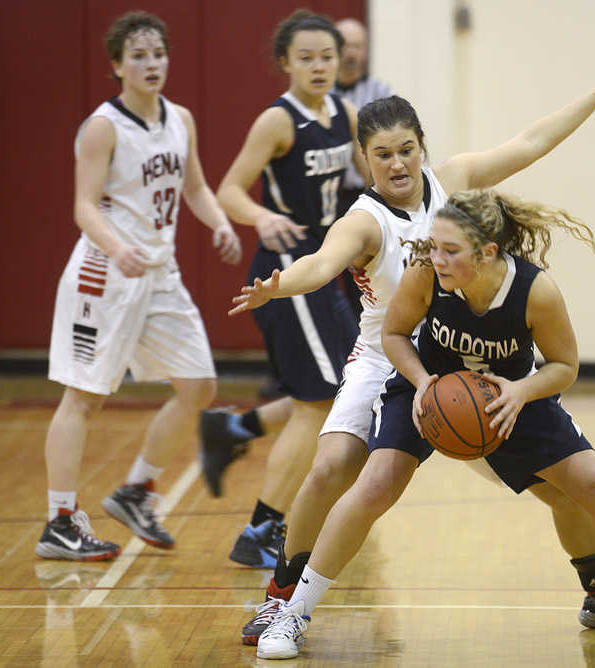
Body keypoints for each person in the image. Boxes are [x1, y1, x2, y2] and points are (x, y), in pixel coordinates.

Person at [231, 44, 595, 647]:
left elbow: (529, 142)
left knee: (563, 487)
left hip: (459, 362)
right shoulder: (365, 219)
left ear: (421, 146)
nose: (397, 164)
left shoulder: (450, 183)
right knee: (332, 470)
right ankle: (282, 598)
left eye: (406, 149)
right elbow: (320, 266)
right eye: (382, 155)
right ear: (363, 159)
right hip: (386, 358)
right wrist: (279, 285)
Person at [255, 190, 595, 659]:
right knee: (374, 485)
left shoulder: (535, 292)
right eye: (434, 246)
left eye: (451, 250)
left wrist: (521, 392)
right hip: (429, 386)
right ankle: (293, 614)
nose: (436, 257)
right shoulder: (427, 269)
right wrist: (424, 380)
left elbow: (564, 366)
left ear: (488, 253)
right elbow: (394, 333)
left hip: (509, 394)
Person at [35, 10, 242, 561]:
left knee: (198, 385)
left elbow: (194, 187)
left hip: (158, 273)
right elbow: (82, 205)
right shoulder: (103, 126)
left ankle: (136, 490)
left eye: (158, 54)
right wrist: (115, 245)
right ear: (117, 66)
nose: (152, 64)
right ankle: (58, 521)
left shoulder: (182, 120)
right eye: (139, 56)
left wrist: (219, 222)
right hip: (104, 273)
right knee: (84, 397)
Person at [205, 10, 366, 569]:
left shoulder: (342, 112)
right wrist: (260, 217)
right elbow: (227, 189)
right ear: (286, 64)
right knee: (319, 401)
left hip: (325, 269)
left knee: (347, 388)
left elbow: (370, 178)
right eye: (307, 58)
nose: (320, 66)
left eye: (328, 56)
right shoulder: (277, 121)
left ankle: (235, 428)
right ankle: (261, 529)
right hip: (285, 275)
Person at [332, 17, 394, 318]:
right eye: (345, 45)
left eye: (357, 45)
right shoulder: (322, 95)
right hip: (326, 198)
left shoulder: (380, 92)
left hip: (364, 197)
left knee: (364, 280)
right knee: (325, 277)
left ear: (365, 50)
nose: (351, 52)